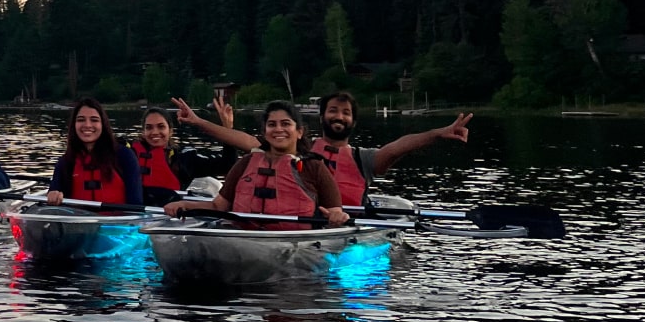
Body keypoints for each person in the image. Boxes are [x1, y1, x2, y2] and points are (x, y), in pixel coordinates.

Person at [184, 91, 472, 207]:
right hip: (301, 224)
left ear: (353, 120)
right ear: (321, 117)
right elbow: (243, 140)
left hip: (343, 223)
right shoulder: (300, 148)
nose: (339, 116)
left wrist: (437, 133)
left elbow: (397, 147)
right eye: (333, 111)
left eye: (345, 113)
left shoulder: (364, 159)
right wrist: (199, 122)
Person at [164, 100, 348, 229]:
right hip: (245, 241)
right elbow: (218, 208)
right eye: (272, 124)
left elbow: (335, 212)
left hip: (294, 244)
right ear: (265, 132)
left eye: (286, 124)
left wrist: (337, 217)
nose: (278, 129)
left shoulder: (314, 168)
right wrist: (185, 204)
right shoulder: (246, 163)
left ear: (299, 132)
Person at [130, 93, 238, 206]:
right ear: (143, 132)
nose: (155, 132)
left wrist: (228, 128)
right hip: (132, 213)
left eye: (161, 126)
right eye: (149, 128)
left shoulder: (185, 159)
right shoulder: (129, 154)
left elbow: (228, 165)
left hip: (168, 217)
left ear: (170, 131)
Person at [45, 97, 143, 207]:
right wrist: (53, 194)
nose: (87, 125)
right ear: (74, 124)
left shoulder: (125, 156)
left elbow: (136, 203)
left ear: (103, 124)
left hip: (117, 222)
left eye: (94, 120)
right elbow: (54, 190)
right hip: (77, 222)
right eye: (81, 120)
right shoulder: (65, 162)